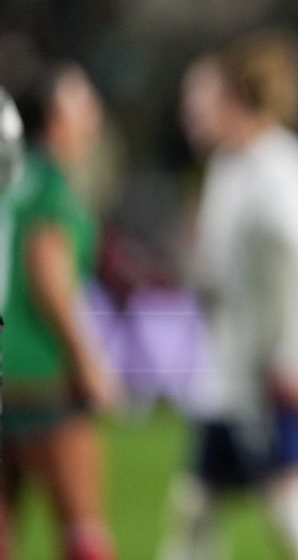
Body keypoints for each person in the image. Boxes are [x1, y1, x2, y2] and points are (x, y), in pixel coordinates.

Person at [158, 30, 298, 560]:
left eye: (200, 97)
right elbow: (219, 269)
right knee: (194, 513)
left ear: (235, 98)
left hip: (277, 381)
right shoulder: (229, 166)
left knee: (295, 517)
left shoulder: (281, 169)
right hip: (231, 379)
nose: (190, 110)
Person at [0, 61, 120, 560]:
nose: (94, 114)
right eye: (82, 103)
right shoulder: (52, 185)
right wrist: (88, 359)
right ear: (52, 119)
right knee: (83, 534)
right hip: (41, 370)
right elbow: (47, 271)